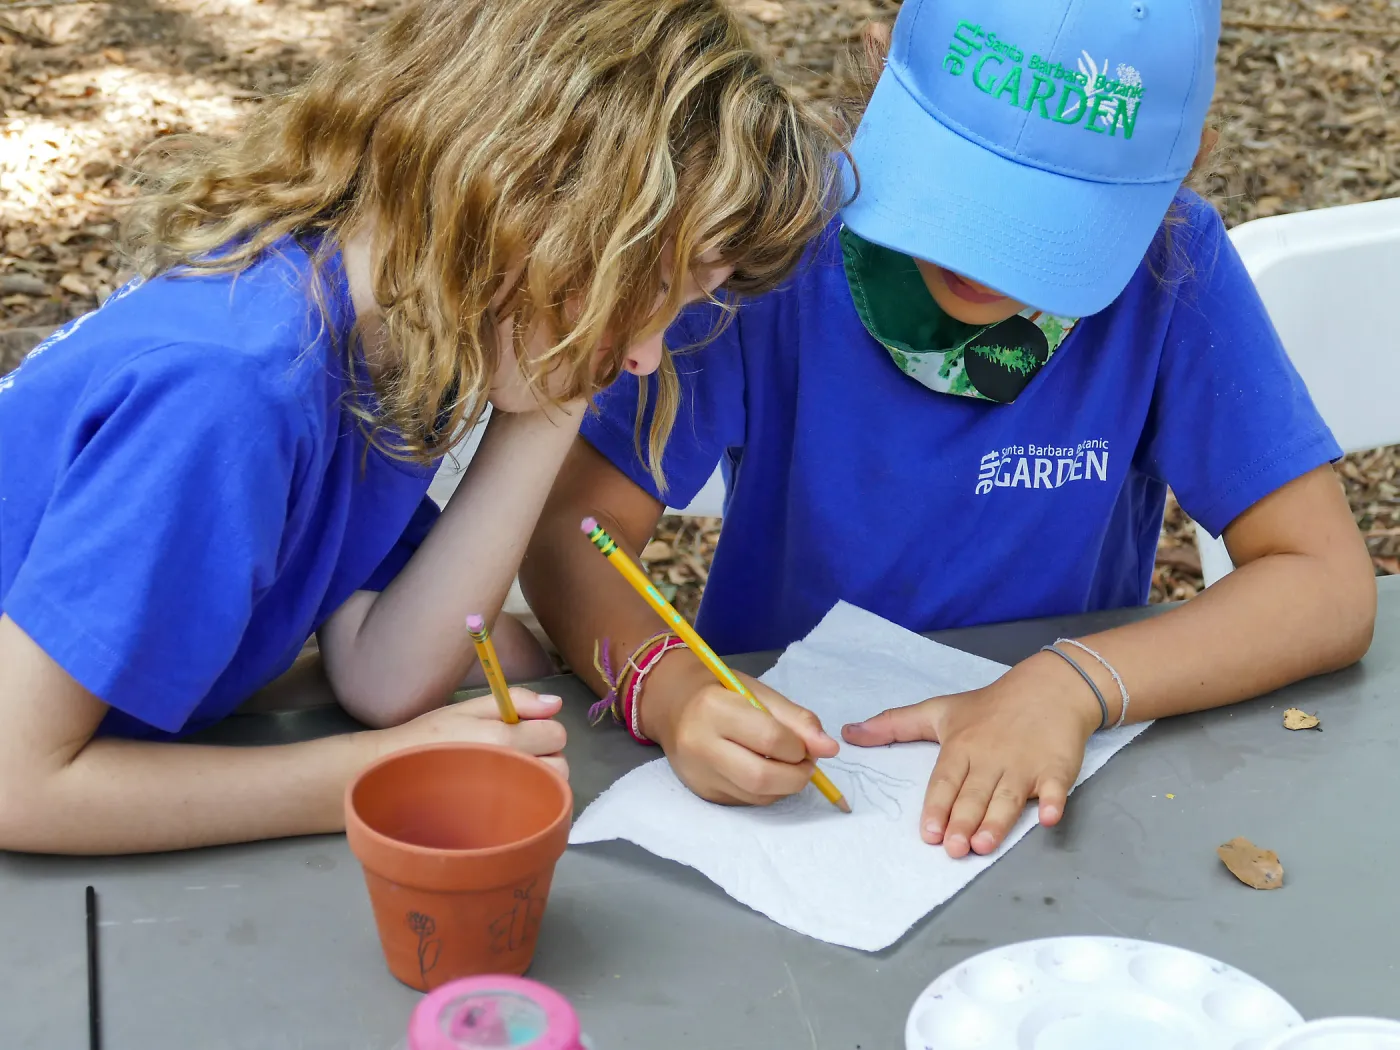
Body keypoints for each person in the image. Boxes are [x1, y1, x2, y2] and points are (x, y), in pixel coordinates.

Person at [523, 0, 1376, 858]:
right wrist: (668, 690)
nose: (981, 260)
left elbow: (1327, 585)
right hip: (783, 783)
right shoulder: (770, 245)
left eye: (1050, 229)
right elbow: (571, 535)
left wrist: (1077, 684)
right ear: (882, 63)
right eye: (958, 192)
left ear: (1180, 167)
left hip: (1051, 809)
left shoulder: (1172, 268)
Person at [0, 0, 841, 855]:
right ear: (529, 196)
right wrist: (380, 771)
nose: (647, 358)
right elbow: (19, 784)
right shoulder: (234, 389)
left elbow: (383, 669)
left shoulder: (399, 337)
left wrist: (559, 392)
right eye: (652, 288)